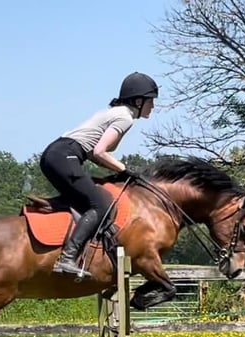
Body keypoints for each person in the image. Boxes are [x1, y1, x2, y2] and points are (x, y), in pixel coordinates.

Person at [39, 71, 158, 278]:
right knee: (101, 205)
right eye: (150, 101)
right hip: (64, 155)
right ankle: (67, 258)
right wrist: (124, 170)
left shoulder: (115, 113)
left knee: (85, 200)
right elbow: (99, 152)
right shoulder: (125, 117)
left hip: (56, 155)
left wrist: (119, 169)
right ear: (138, 101)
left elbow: (98, 153)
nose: (153, 107)